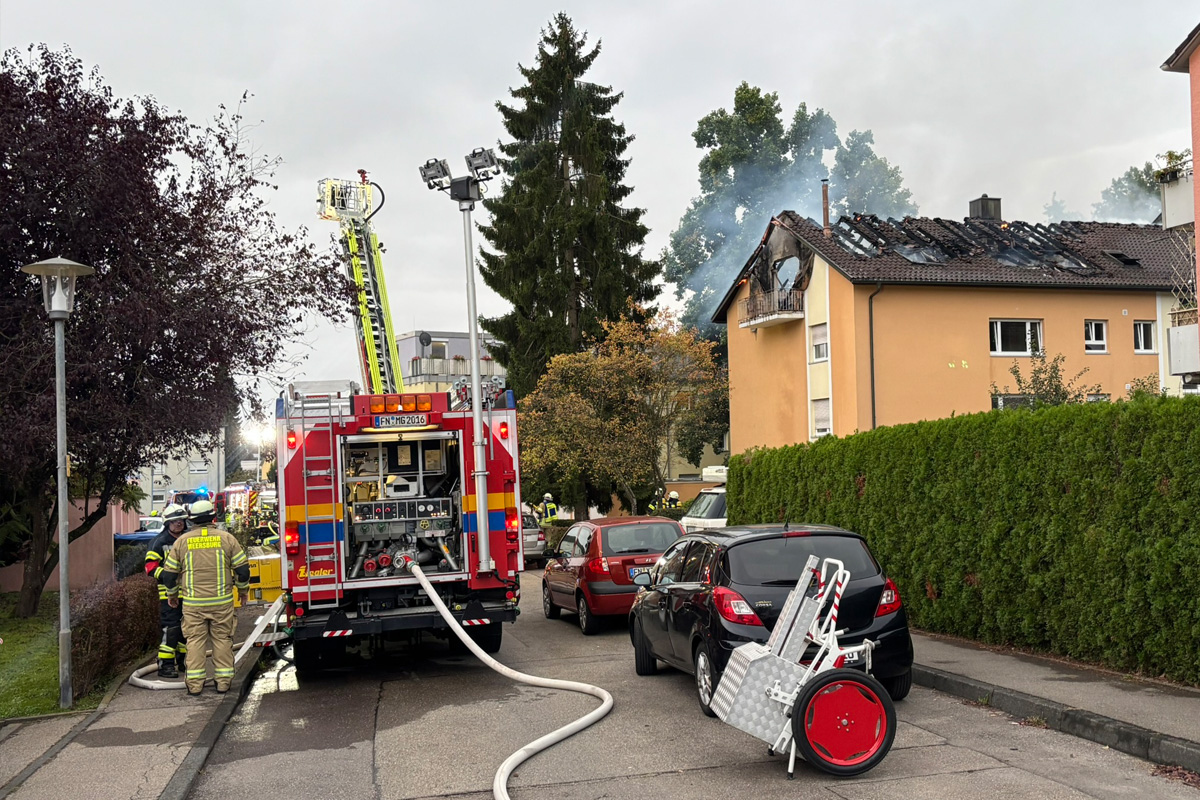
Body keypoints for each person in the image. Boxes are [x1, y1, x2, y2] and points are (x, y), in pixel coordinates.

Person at [161, 499, 249, 696]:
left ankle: (195, 685)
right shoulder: (227, 539)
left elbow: (168, 575)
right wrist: (242, 591)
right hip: (222, 603)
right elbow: (243, 570)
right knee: (222, 640)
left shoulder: (181, 542)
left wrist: (172, 595)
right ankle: (223, 683)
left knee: (194, 642)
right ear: (213, 517)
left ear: (191, 520)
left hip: (193, 605)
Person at [144, 503, 190, 678]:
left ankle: (184, 661)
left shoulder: (187, 539)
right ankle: (165, 665)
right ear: (167, 523)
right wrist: (167, 575)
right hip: (167, 594)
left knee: (186, 629)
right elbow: (150, 567)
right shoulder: (159, 542)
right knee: (171, 630)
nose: (179, 524)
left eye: (181, 521)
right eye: (175, 521)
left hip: (187, 592)